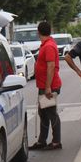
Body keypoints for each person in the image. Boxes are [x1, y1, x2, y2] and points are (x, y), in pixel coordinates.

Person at [30, 21, 62, 150]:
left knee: (51, 113)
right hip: (44, 85)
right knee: (43, 113)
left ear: (38, 32)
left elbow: (51, 66)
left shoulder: (48, 46)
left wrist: (48, 87)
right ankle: (42, 141)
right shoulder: (46, 44)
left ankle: (56, 141)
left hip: (49, 86)